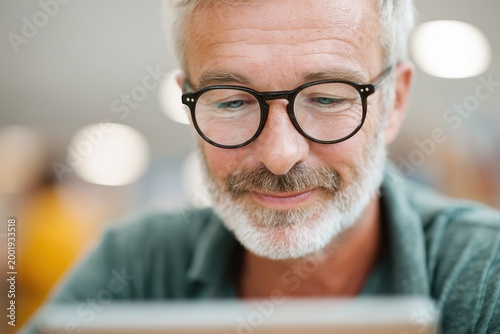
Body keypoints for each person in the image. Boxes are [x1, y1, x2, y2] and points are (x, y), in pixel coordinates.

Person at [24, 0, 499, 333]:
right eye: (231, 103)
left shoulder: (484, 275)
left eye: (328, 98)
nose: (279, 153)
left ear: (394, 102)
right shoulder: (133, 264)